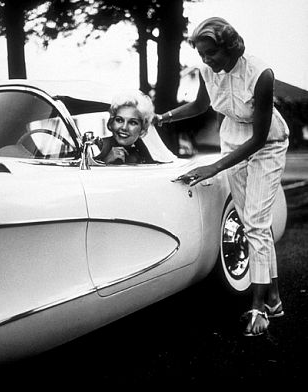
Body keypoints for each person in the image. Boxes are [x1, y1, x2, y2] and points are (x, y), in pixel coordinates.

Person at [155, 17, 289, 337]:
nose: (205, 60)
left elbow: (257, 139)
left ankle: (258, 308)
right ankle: (274, 298)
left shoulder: (261, 74)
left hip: (265, 145)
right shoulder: (206, 70)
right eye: (201, 54)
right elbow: (201, 105)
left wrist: (213, 167)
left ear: (230, 46)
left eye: (211, 53)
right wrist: (164, 116)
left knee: (256, 223)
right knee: (250, 221)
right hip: (232, 143)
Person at [96, 90, 155, 164]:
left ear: (142, 128)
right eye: (119, 120)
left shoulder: (144, 152)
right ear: (111, 122)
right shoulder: (97, 148)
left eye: (132, 122)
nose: (124, 127)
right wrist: (105, 162)